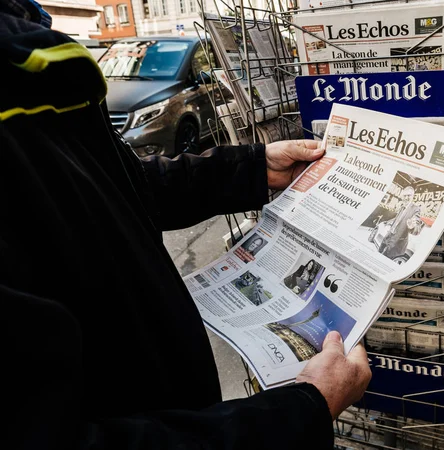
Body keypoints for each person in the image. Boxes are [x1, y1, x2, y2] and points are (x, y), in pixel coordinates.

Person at [0, 2, 371, 450]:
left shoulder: (25, 51)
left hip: (167, 398)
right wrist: (300, 414)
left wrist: (251, 169)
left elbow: (108, 191)